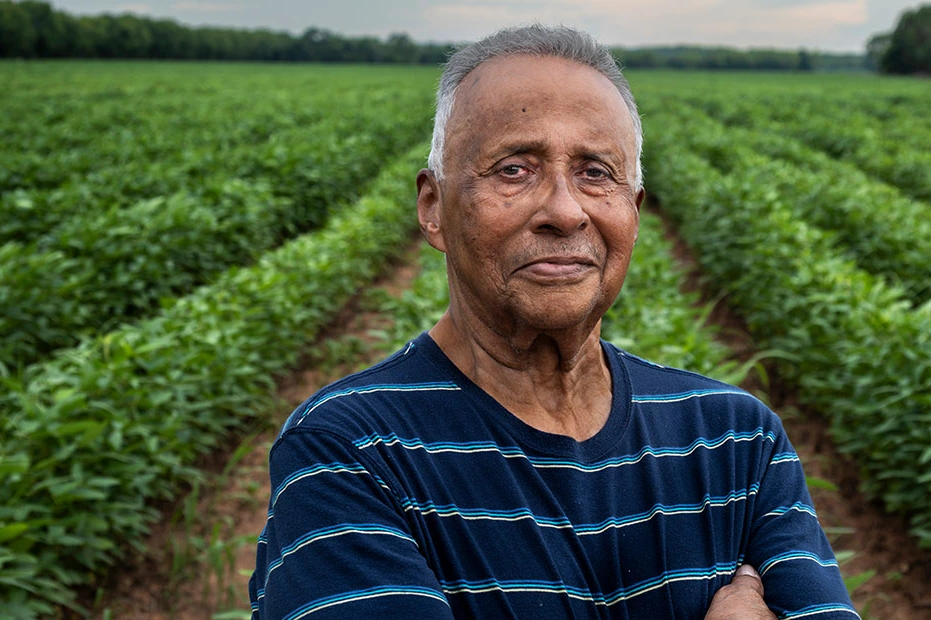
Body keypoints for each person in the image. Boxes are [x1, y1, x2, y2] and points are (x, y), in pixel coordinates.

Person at [248, 24, 855, 620]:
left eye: (596, 172)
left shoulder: (736, 439)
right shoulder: (349, 451)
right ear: (432, 207)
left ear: (633, 213)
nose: (565, 212)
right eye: (515, 168)